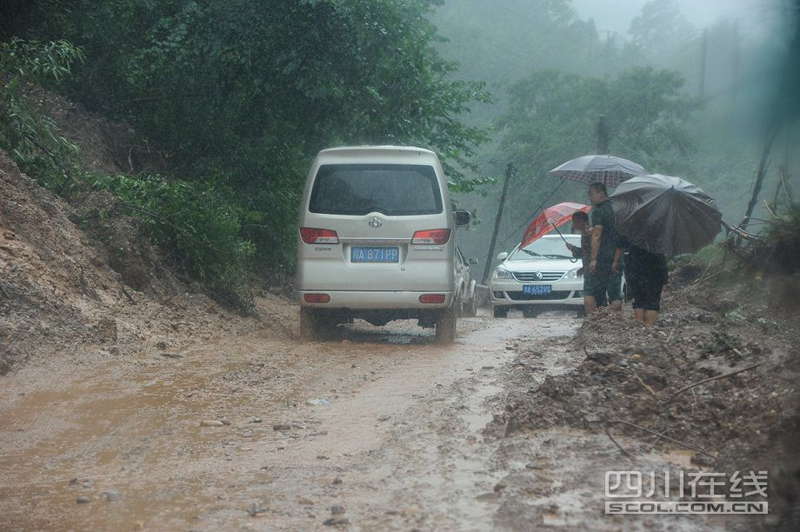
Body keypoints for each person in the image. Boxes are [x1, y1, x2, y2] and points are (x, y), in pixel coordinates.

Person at [586, 182, 622, 312]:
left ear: (601, 193)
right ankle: (616, 324)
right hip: (617, 256)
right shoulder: (617, 207)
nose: (590, 197)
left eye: (591, 194)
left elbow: (597, 236)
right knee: (615, 293)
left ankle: (599, 322)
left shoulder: (598, 211)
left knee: (598, 293)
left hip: (602, 257)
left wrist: (593, 259)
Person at [619, 236, 668, 326]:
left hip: (634, 269)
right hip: (654, 269)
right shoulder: (658, 232)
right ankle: (648, 328)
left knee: (638, 300)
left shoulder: (629, 230)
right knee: (652, 301)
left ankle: (640, 329)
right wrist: (665, 277)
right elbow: (661, 255)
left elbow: (622, 247)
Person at [566, 211, 594, 315]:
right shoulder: (586, 233)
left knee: (590, 293)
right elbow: (585, 252)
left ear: (581, 221)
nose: (573, 225)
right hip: (589, 268)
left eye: (574, 222)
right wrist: (573, 249)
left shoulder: (589, 233)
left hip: (592, 270)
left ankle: (592, 317)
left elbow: (589, 252)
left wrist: (574, 249)